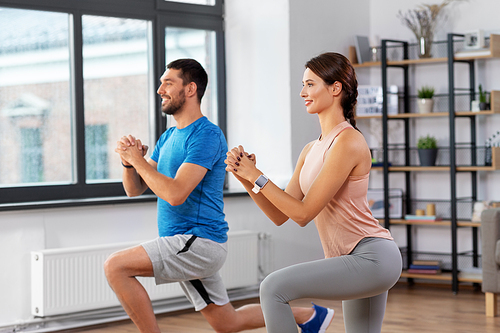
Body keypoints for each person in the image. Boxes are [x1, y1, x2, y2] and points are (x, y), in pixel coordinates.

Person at [104, 58, 331, 333]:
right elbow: (134, 189)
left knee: (116, 267)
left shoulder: (206, 135)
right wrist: (130, 163)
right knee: (226, 322)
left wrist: (137, 161)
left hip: (198, 241)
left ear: (190, 89)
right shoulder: (167, 138)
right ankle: (309, 316)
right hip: (184, 242)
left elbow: (175, 194)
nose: (160, 89)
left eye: (168, 83)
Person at [225, 52, 403, 333]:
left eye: (310, 84)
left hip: (372, 257)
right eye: (303, 84)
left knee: (273, 287)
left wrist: (257, 176)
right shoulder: (311, 149)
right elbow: (280, 214)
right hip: (352, 259)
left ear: (335, 88)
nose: (302, 92)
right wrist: (246, 177)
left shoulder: (348, 141)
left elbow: (304, 214)